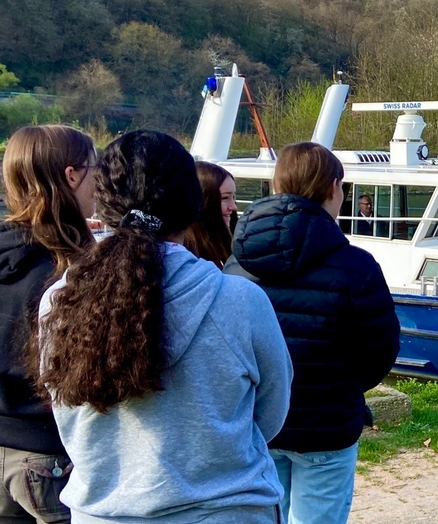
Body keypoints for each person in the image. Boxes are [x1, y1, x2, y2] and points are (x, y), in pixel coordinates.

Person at [35, 130, 292, 524]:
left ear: (101, 203)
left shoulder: (61, 300)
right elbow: (271, 412)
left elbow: (64, 408)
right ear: (192, 206)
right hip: (227, 508)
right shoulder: (238, 300)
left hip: (105, 513)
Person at [225, 142, 400, 524]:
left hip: (259, 422)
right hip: (327, 422)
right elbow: (380, 349)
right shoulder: (356, 265)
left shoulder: (237, 262)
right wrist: (345, 387)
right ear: (333, 187)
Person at [0, 125, 96, 524]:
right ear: (72, 176)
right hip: (49, 456)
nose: (101, 182)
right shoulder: (71, 268)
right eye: (97, 169)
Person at [182, 161, 238, 268]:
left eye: (234, 197)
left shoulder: (222, 240)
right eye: (225, 198)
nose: (233, 207)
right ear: (202, 200)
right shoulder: (188, 253)